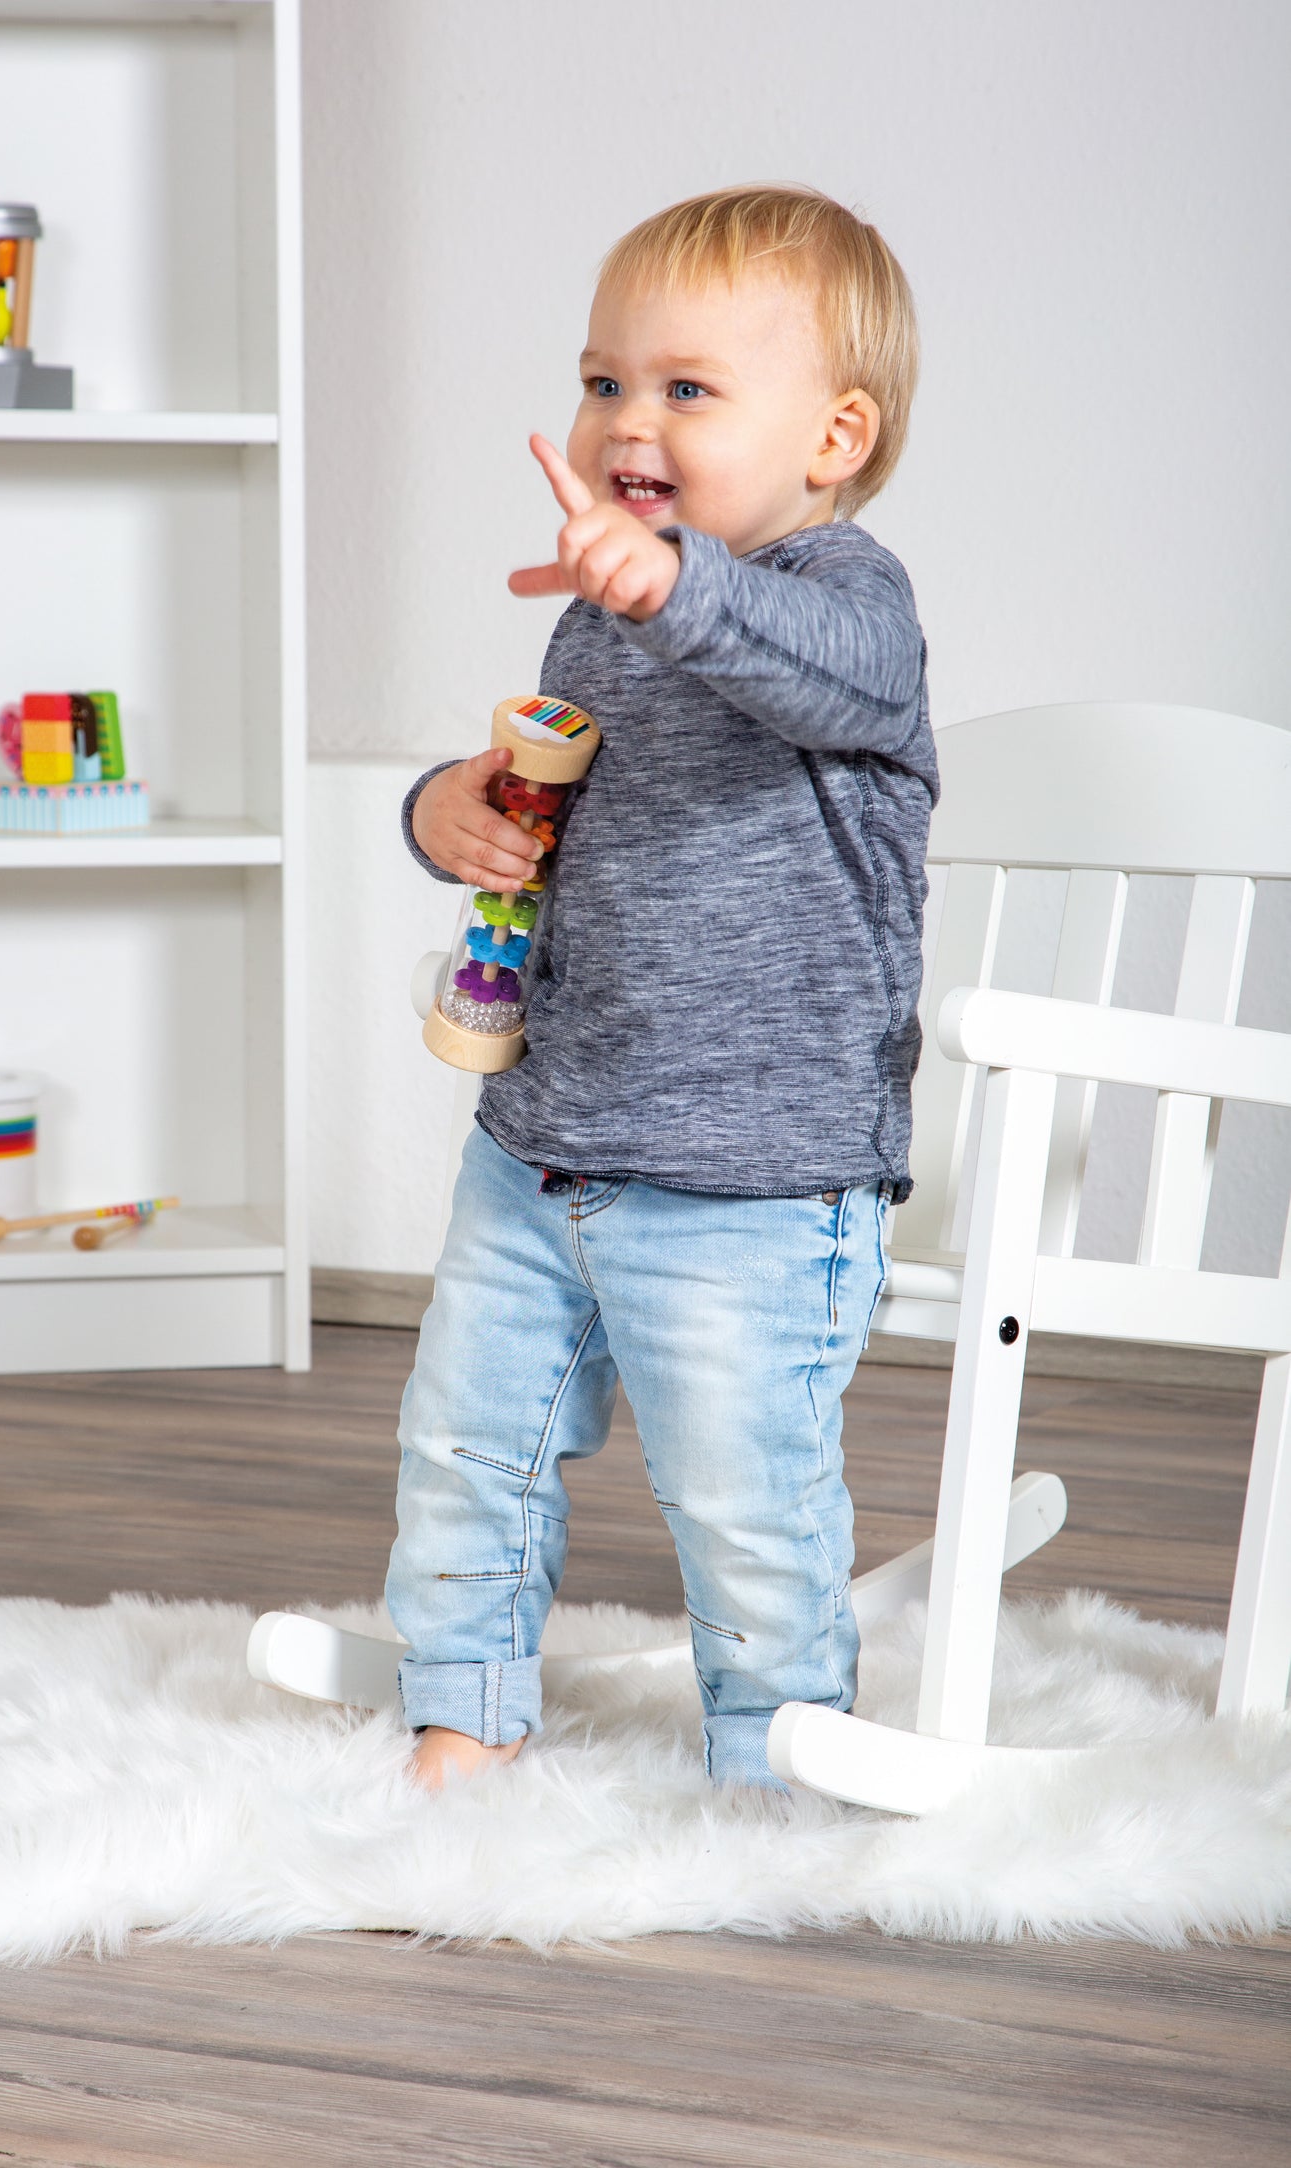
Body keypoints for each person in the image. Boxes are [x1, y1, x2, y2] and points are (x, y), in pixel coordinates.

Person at [390, 185, 938, 1792]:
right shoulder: (598, 620)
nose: (629, 420)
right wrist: (444, 810)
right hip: (542, 1138)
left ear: (833, 435)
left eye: (686, 388)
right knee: (466, 1446)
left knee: (741, 1498)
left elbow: (821, 673)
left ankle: (772, 1762)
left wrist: (662, 587)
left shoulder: (848, 604)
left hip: (752, 1175)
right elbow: (539, 799)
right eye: (603, 380)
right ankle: (461, 1712)